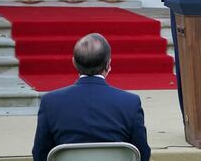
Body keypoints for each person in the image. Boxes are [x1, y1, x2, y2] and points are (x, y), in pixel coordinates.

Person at [31, 33, 151, 161]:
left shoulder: (50, 102)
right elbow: (142, 154)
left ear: (74, 62)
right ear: (108, 64)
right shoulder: (130, 102)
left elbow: (39, 154)